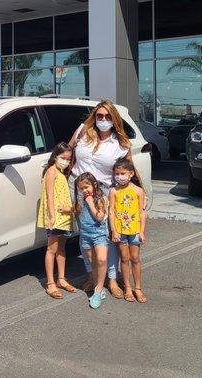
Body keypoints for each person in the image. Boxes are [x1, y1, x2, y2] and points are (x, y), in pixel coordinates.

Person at [68, 100, 135, 298]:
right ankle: (92, 275)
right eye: (99, 116)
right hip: (80, 191)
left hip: (104, 194)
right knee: (85, 235)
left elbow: (129, 171)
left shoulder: (121, 144)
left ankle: (112, 280)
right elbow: (66, 151)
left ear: (114, 120)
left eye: (107, 117)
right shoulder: (83, 131)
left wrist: (136, 195)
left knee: (107, 238)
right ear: (94, 117)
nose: (103, 120)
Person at [37, 142, 76, 299]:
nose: (65, 161)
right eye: (62, 158)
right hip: (56, 217)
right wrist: (52, 216)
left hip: (64, 217)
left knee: (61, 248)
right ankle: (50, 283)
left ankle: (61, 278)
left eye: (68, 159)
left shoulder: (61, 173)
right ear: (55, 156)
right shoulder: (51, 171)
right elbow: (50, 195)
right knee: (51, 249)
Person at [109, 158, 148, 303]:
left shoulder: (138, 191)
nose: (119, 176)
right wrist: (113, 230)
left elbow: (141, 212)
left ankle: (138, 288)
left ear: (131, 173)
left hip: (135, 230)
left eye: (122, 173)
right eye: (117, 174)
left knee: (135, 258)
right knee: (124, 259)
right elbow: (111, 212)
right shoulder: (113, 191)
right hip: (120, 231)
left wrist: (142, 231)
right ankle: (127, 287)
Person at [74, 172, 109, 309]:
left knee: (101, 259)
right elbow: (76, 211)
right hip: (85, 235)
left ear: (94, 185)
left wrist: (90, 202)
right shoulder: (81, 200)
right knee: (92, 262)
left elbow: (99, 217)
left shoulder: (101, 199)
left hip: (99, 234)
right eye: (81, 188)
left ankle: (98, 290)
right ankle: (98, 287)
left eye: (87, 187)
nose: (84, 191)